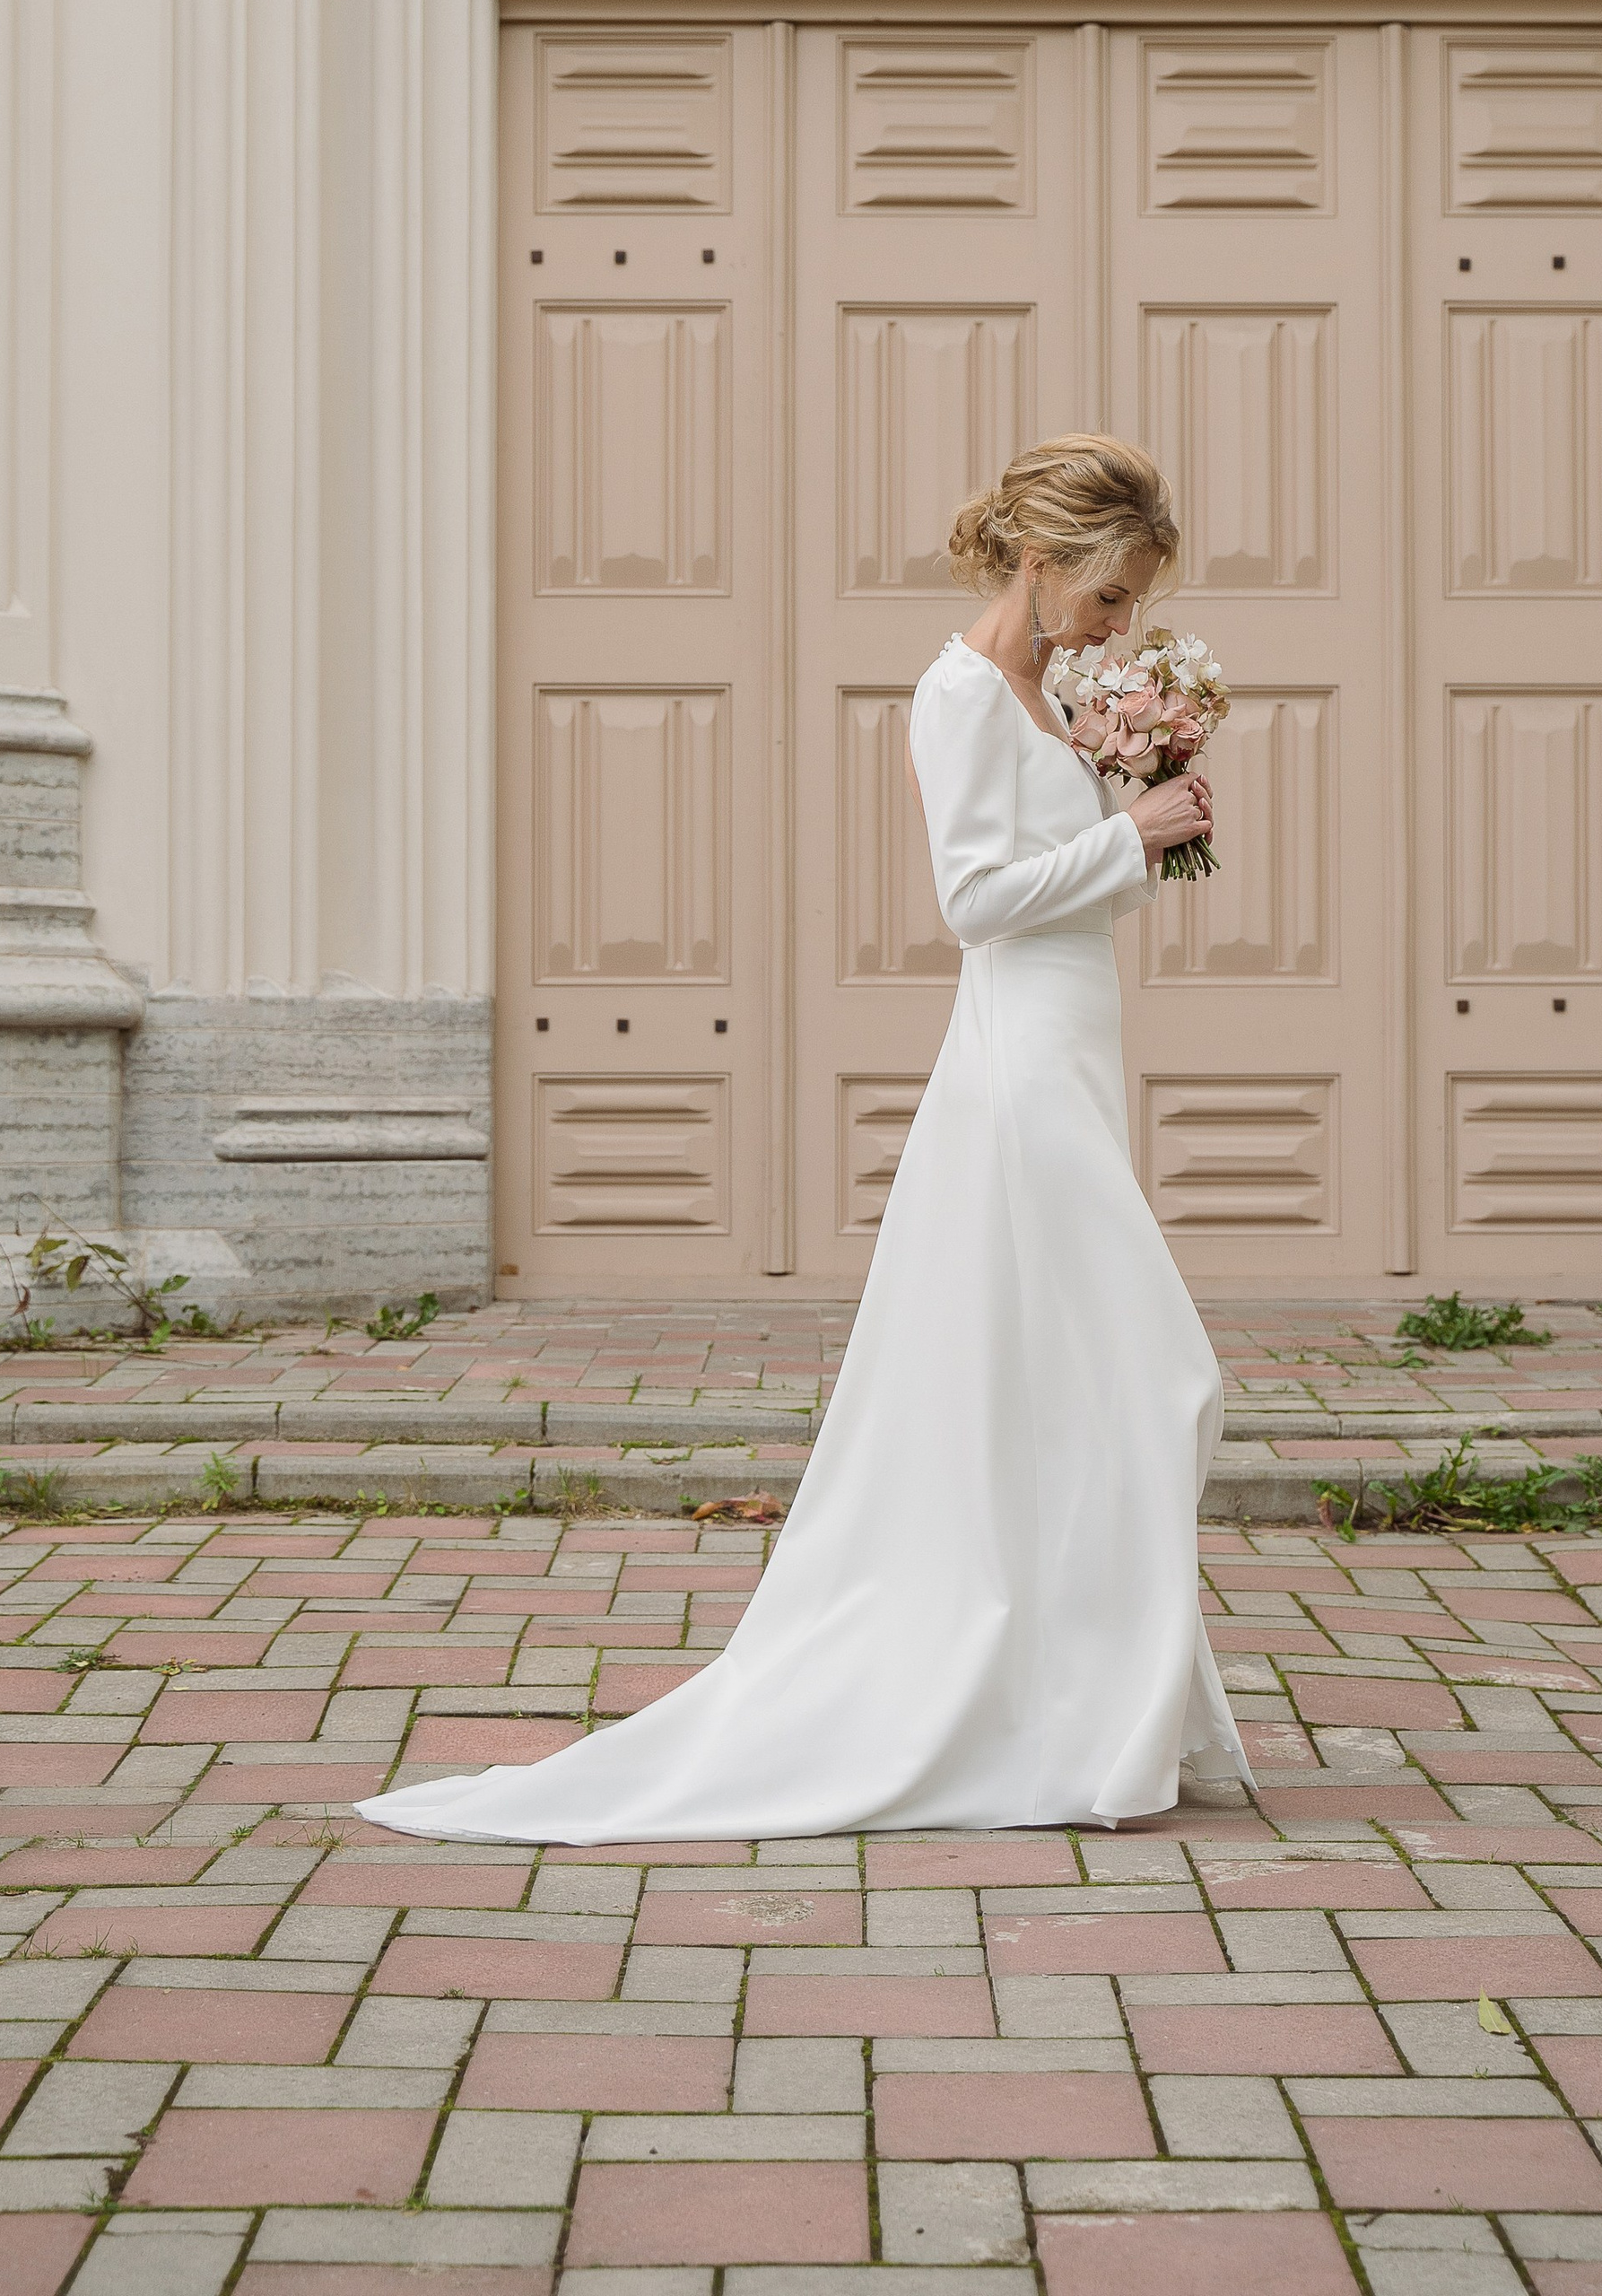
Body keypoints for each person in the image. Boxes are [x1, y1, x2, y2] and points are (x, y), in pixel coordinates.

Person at [356, 432, 1244, 1842]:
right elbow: (975, 902)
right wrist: (1127, 834)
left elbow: (1085, 901)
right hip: (1015, 1068)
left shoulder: (1061, 695)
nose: (1122, 624)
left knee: (1072, 1391)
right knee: (1158, 1377)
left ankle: (1081, 1711)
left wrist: (1150, 822)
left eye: (1134, 602)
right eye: (1112, 594)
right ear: (1043, 557)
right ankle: (1054, 1706)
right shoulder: (959, 693)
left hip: (1079, 1052)